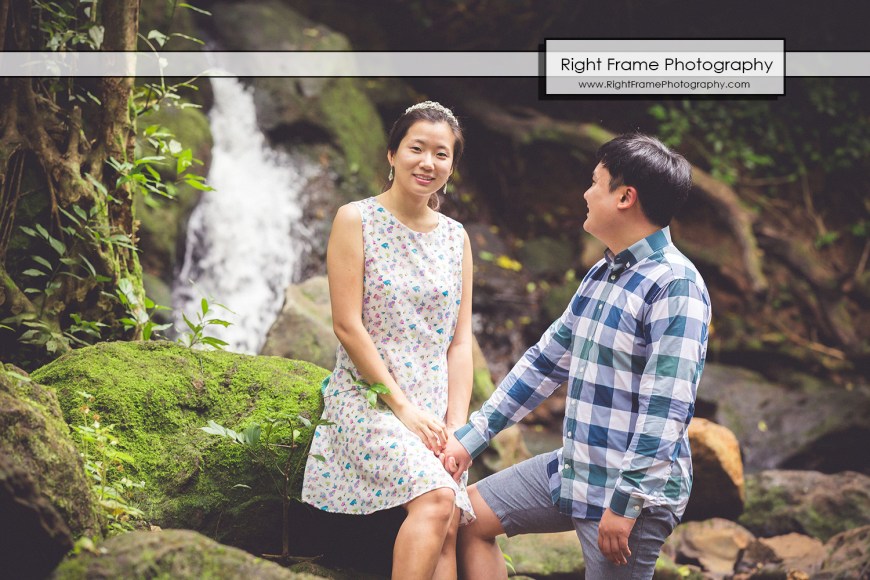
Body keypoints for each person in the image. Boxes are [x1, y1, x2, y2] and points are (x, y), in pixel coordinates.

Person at [441, 133, 711, 580]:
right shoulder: (604, 273)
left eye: (595, 182)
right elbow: (545, 362)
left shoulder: (675, 286)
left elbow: (668, 410)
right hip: (575, 466)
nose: (585, 193)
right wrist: (469, 440)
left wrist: (624, 506)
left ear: (625, 197)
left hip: (631, 496)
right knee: (467, 517)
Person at [301, 101, 475, 580]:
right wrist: (402, 407)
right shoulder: (356, 219)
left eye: (442, 154)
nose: (428, 162)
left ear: (451, 166)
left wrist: (457, 427)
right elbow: (347, 325)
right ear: (392, 155)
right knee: (438, 499)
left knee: (451, 522)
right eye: (417, 148)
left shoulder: (456, 238)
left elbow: (460, 343)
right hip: (372, 400)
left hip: (436, 410)